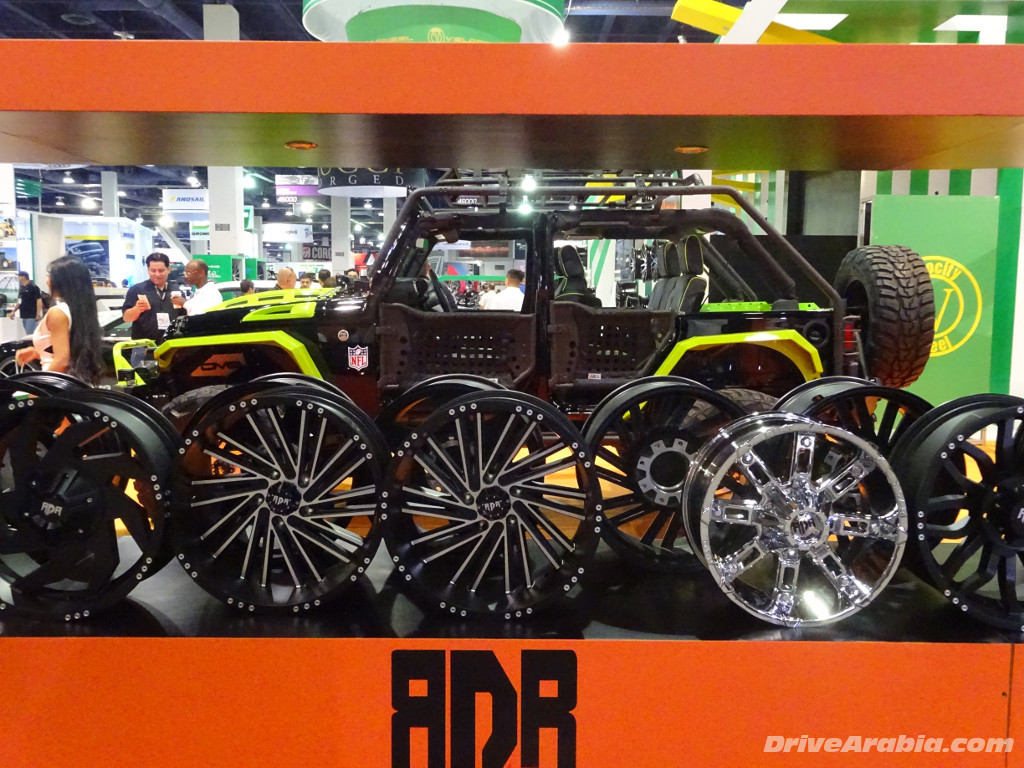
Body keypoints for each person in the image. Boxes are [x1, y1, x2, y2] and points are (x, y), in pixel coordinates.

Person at [15, 256, 101, 384]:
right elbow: (71, 351)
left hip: (56, 386)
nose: (47, 280)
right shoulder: (80, 310)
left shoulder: (57, 312)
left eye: (50, 275)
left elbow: (61, 361)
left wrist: (39, 389)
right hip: (76, 383)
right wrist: (39, 353)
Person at [121, 252, 185, 342]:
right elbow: (126, 318)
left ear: (168, 269)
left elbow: (184, 318)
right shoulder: (137, 289)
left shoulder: (177, 290)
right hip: (144, 345)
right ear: (148, 270)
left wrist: (185, 304)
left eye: (161, 270)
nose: (157, 274)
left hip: (171, 344)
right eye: (153, 271)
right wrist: (137, 309)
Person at [7, 271, 43, 335]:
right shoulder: (21, 288)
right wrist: (13, 311)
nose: (18, 277)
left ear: (24, 277)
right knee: (27, 332)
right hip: (23, 314)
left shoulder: (33, 287)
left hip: (31, 315)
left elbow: (39, 300)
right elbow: (19, 301)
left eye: (19, 276)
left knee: (30, 333)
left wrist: (38, 314)